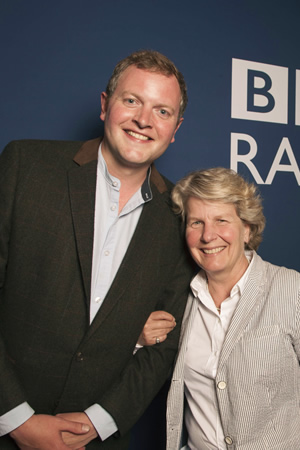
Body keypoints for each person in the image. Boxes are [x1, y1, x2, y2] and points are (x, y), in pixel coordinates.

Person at [0, 50, 195, 449]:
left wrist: (99, 420)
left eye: (162, 111)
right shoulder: (25, 165)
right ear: (105, 105)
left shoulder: (180, 215)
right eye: (131, 101)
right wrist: (15, 418)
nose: (144, 120)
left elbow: (167, 343)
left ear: (175, 129)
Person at [142, 167, 300, 449]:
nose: (208, 235)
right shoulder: (179, 297)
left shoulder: (291, 289)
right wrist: (138, 339)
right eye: (196, 223)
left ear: (247, 229)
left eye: (221, 220)